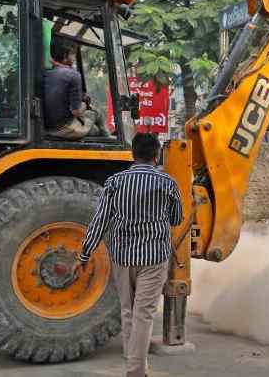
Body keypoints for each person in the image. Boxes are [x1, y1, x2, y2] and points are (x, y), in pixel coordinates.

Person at [75, 133, 183, 377]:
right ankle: (135, 371)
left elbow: (100, 221)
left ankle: (134, 362)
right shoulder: (168, 183)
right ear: (157, 156)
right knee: (143, 313)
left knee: (128, 311)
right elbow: (176, 219)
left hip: (122, 257)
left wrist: (84, 254)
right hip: (154, 257)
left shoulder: (114, 182)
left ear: (133, 154)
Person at [42, 34, 106, 139]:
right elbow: (75, 112)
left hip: (49, 127)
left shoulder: (46, 73)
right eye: (73, 54)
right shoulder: (73, 75)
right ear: (65, 56)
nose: (74, 58)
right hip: (64, 128)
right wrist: (85, 103)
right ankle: (109, 138)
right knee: (97, 115)